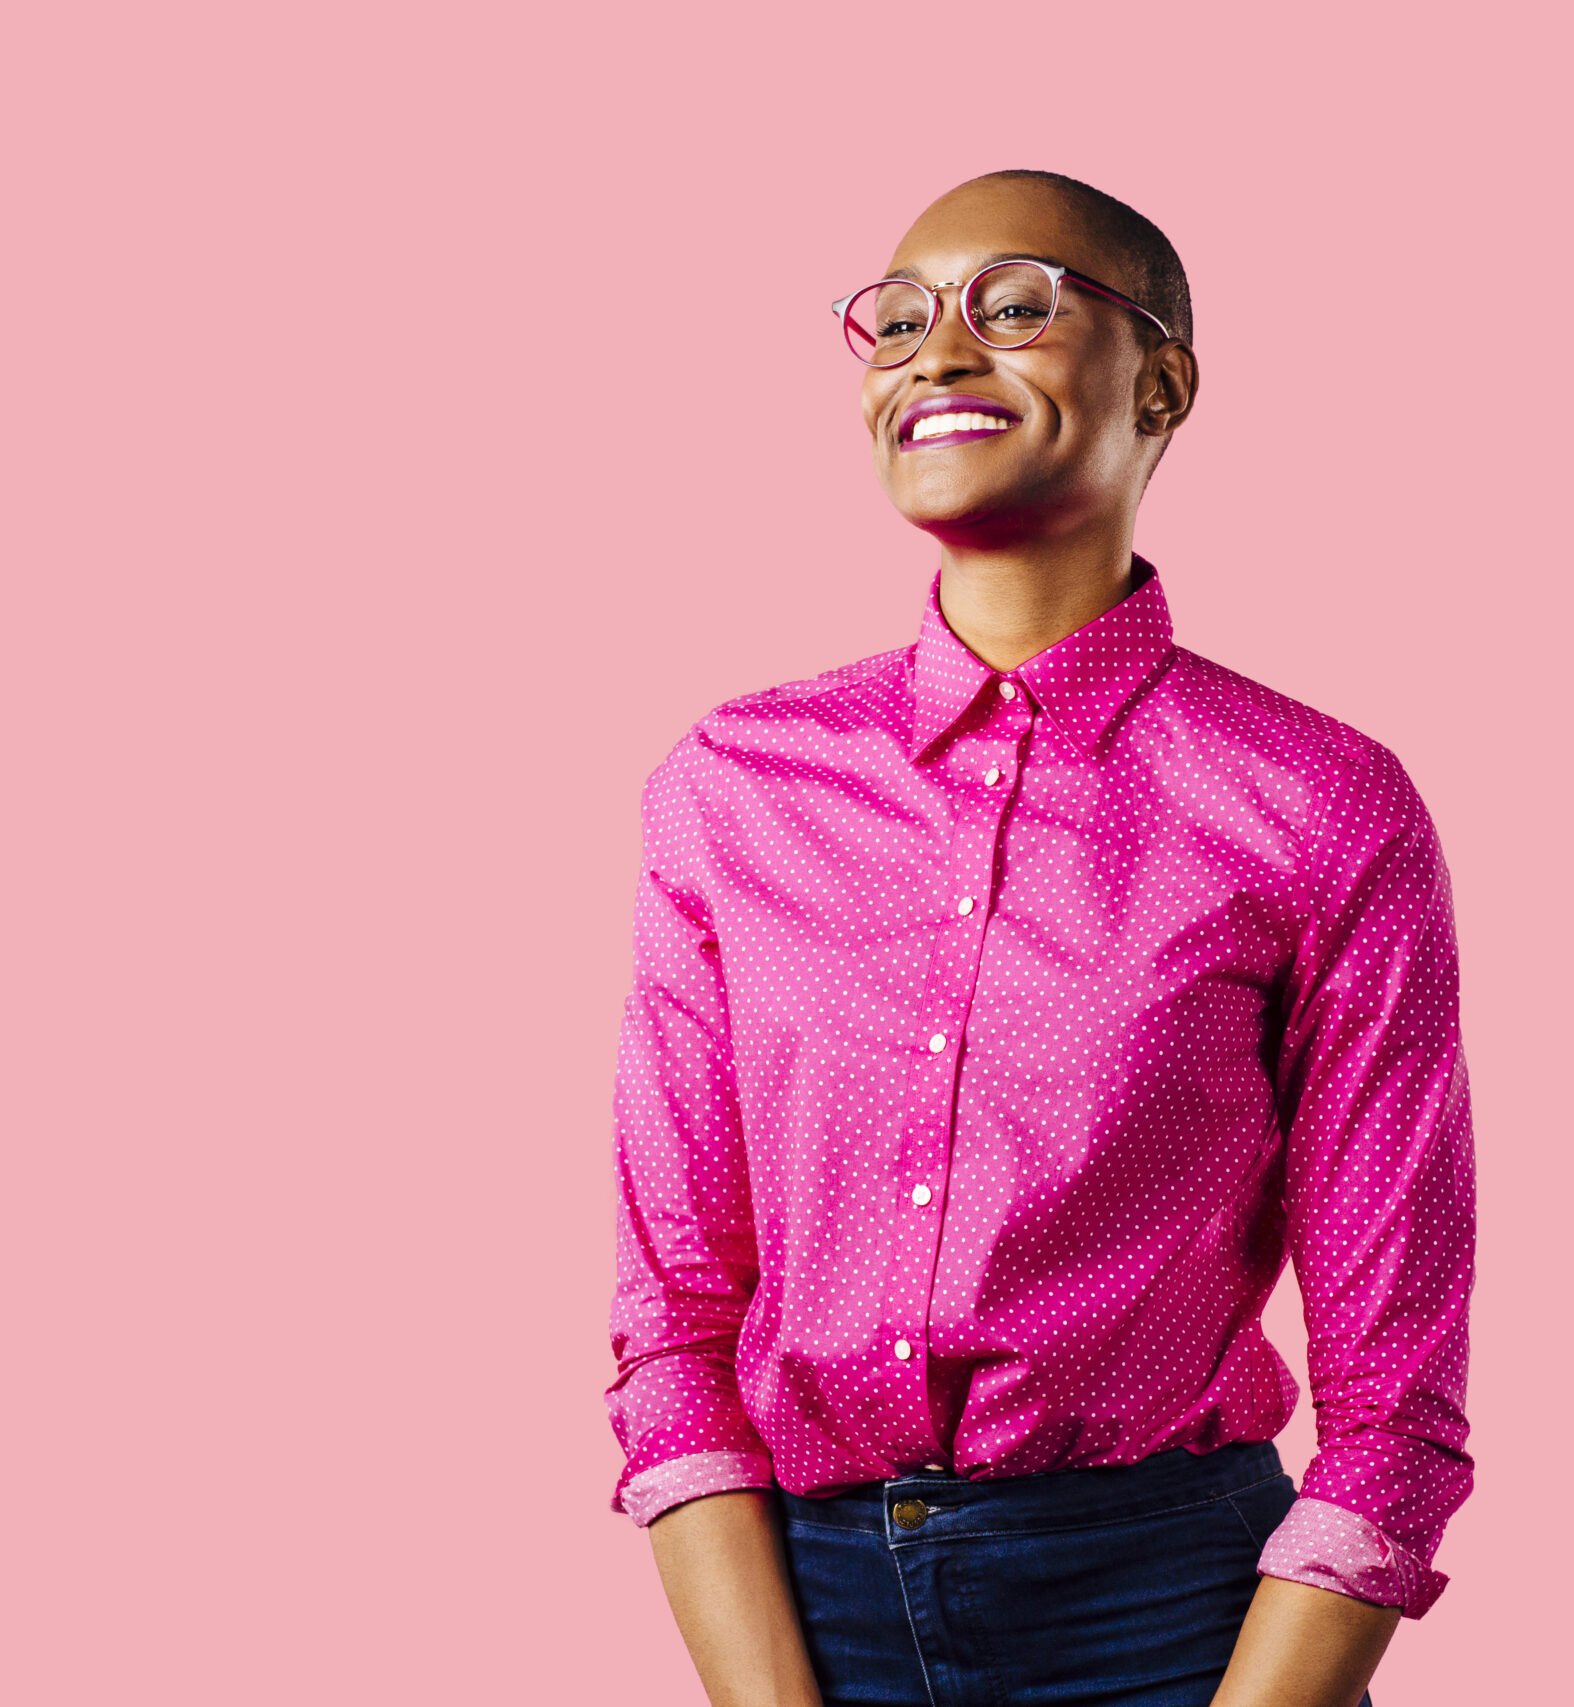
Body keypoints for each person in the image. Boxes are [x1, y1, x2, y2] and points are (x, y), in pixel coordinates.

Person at [604, 171, 1473, 1707]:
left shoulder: (1321, 803)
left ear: (1163, 382)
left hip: (1175, 1615)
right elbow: (675, 1315)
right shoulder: (733, 789)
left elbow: (1395, 1392)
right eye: (898, 321)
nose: (937, 354)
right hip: (798, 1604)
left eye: (1014, 307)